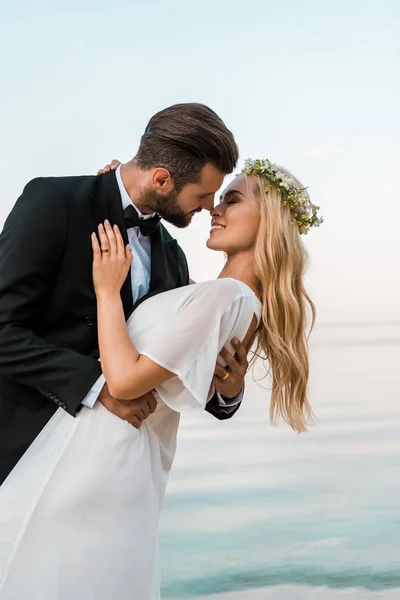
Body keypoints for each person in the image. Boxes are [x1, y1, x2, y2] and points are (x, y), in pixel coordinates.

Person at [0, 156, 322, 599]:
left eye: (230, 198)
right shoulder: (198, 287)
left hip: (101, 461)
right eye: (212, 196)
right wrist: (110, 195)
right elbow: (197, 367)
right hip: (99, 455)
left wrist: (106, 292)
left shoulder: (224, 296)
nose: (214, 208)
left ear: (268, 221)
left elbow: (129, 380)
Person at [0, 103, 247, 490]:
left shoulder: (172, 256)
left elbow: (174, 359)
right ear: (162, 180)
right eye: (203, 194)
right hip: (20, 456)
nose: (209, 207)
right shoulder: (54, 202)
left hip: (109, 473)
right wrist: (98, 388)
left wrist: (228, 394)